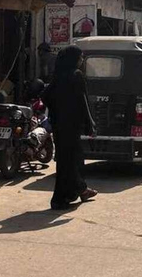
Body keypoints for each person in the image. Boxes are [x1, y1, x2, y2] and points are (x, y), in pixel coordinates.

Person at [42, 45, 97, 210]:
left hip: (59, 125)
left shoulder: (57, 76)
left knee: (68, 160)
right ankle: (68, 195)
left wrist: (56, 111)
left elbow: (46, 96)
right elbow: (82, 102)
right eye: (80, 58)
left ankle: (76, 191)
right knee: (71, 161)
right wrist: (90, 123)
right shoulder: (76, 75)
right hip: (72, 126)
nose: (81, 61)